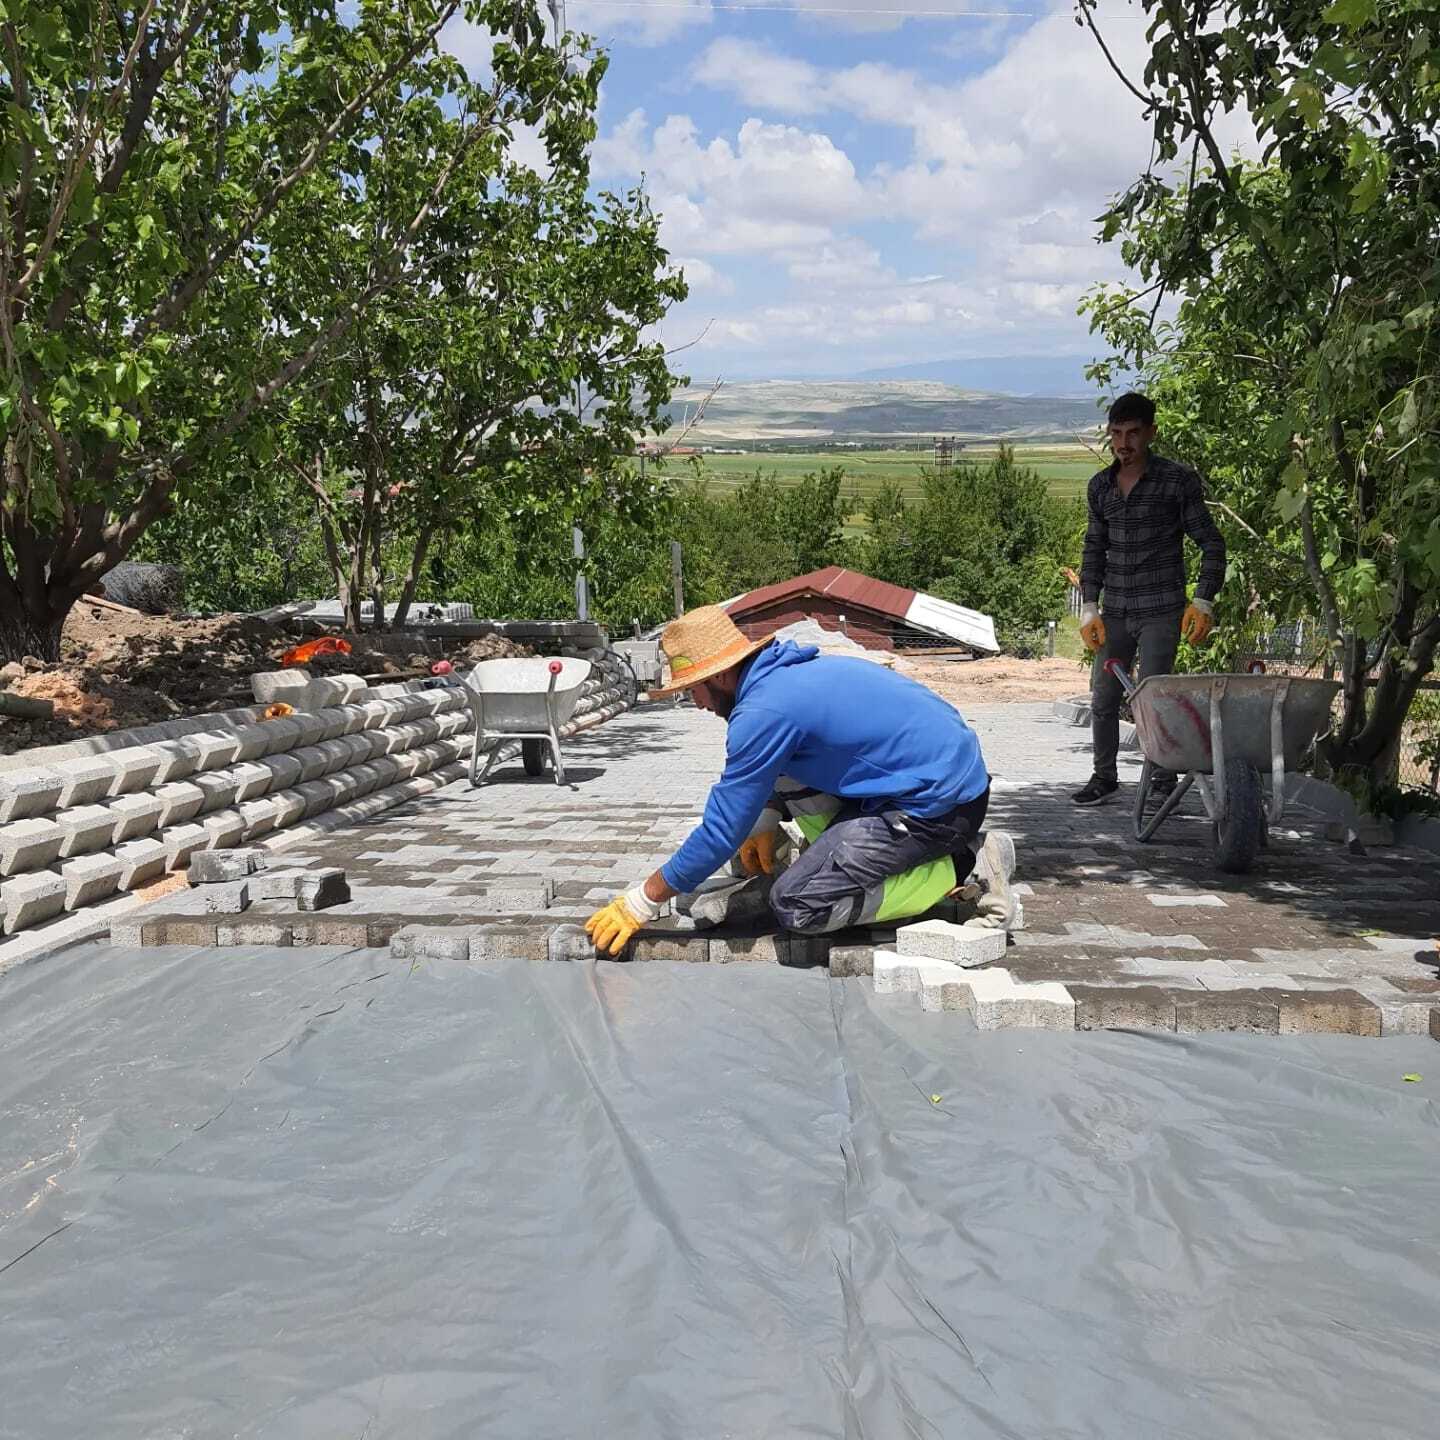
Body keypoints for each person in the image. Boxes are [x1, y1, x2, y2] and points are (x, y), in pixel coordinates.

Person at [586, 605, 1016, 956]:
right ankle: (835, 859)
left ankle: (965, 866)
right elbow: (771, 776)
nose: (695, 703)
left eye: (692, 689)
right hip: (926, 782)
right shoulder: (780, 678)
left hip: (938, 809)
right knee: (774, 787)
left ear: (718, 675)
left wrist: (642, 901)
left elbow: (720, 831)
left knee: (797, 905)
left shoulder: (763, 713)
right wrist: (767, 818)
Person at [1071, 392, 1226, 807]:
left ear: (1151, 433)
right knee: (1103, 696)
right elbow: (1093, 549)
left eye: (1133, 434)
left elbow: (1212, 544)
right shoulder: (1100, 487)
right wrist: (1089, 607)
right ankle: (1104, 777)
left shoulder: (1176, 481)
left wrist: (1203, 601)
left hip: (1162, 609)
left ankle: (1160, 778)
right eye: (1117, 434)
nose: (1124, 444)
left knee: (1155, 697)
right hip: (1115, 612)